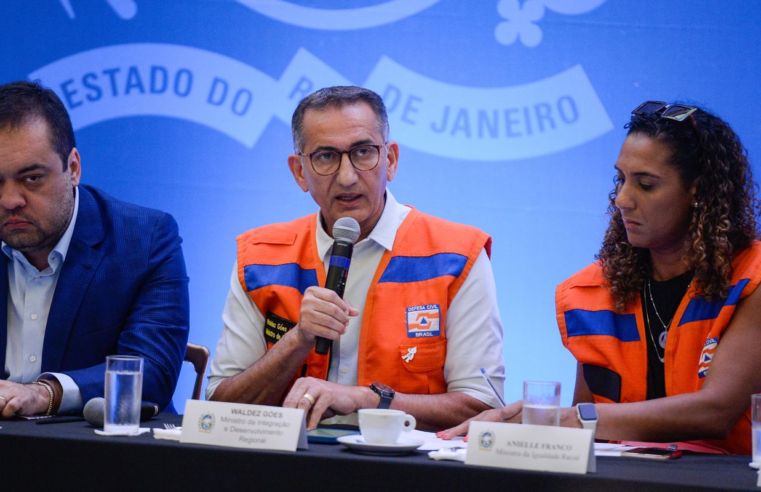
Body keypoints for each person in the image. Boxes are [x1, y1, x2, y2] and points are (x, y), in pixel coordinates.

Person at [441, 101, 761, 454]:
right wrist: (510, 428)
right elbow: (583, 439)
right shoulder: (591, 291)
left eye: (646, 185)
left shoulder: (752, 279)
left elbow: (715, 413)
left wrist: (563, 418)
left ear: (698, 191)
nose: (622, 199)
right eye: (620, 179)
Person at [207, 86, 505, 430]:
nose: (347, 176)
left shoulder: (456, 254)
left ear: (390, 160)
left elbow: (481, 409)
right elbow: (218, 410)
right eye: (325, 157)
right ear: (299, 171)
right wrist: (297, 340)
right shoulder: (260, 256)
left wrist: (370, 400)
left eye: (363, 152)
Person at [0, 80, 190, 418]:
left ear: (72, 168)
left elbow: (152, 372)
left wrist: (46, 394)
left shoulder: (144, 241)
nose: (10, 201)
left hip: (100, 457)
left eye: (31, 178)